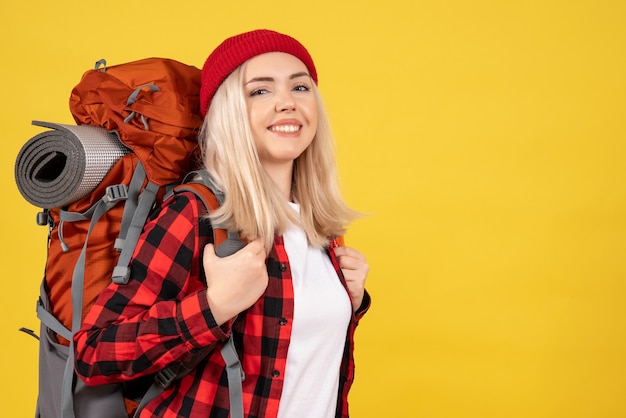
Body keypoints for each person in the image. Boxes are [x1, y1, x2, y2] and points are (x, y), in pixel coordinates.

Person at [74, 29, 370, 418]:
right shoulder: (199, 212)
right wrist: (213, 307)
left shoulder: (321, 228)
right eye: (260, 91)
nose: (287, 103)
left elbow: (300, 364)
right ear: (228, 112)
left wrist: (352, 302)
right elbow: (94, 352)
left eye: (300, 87)